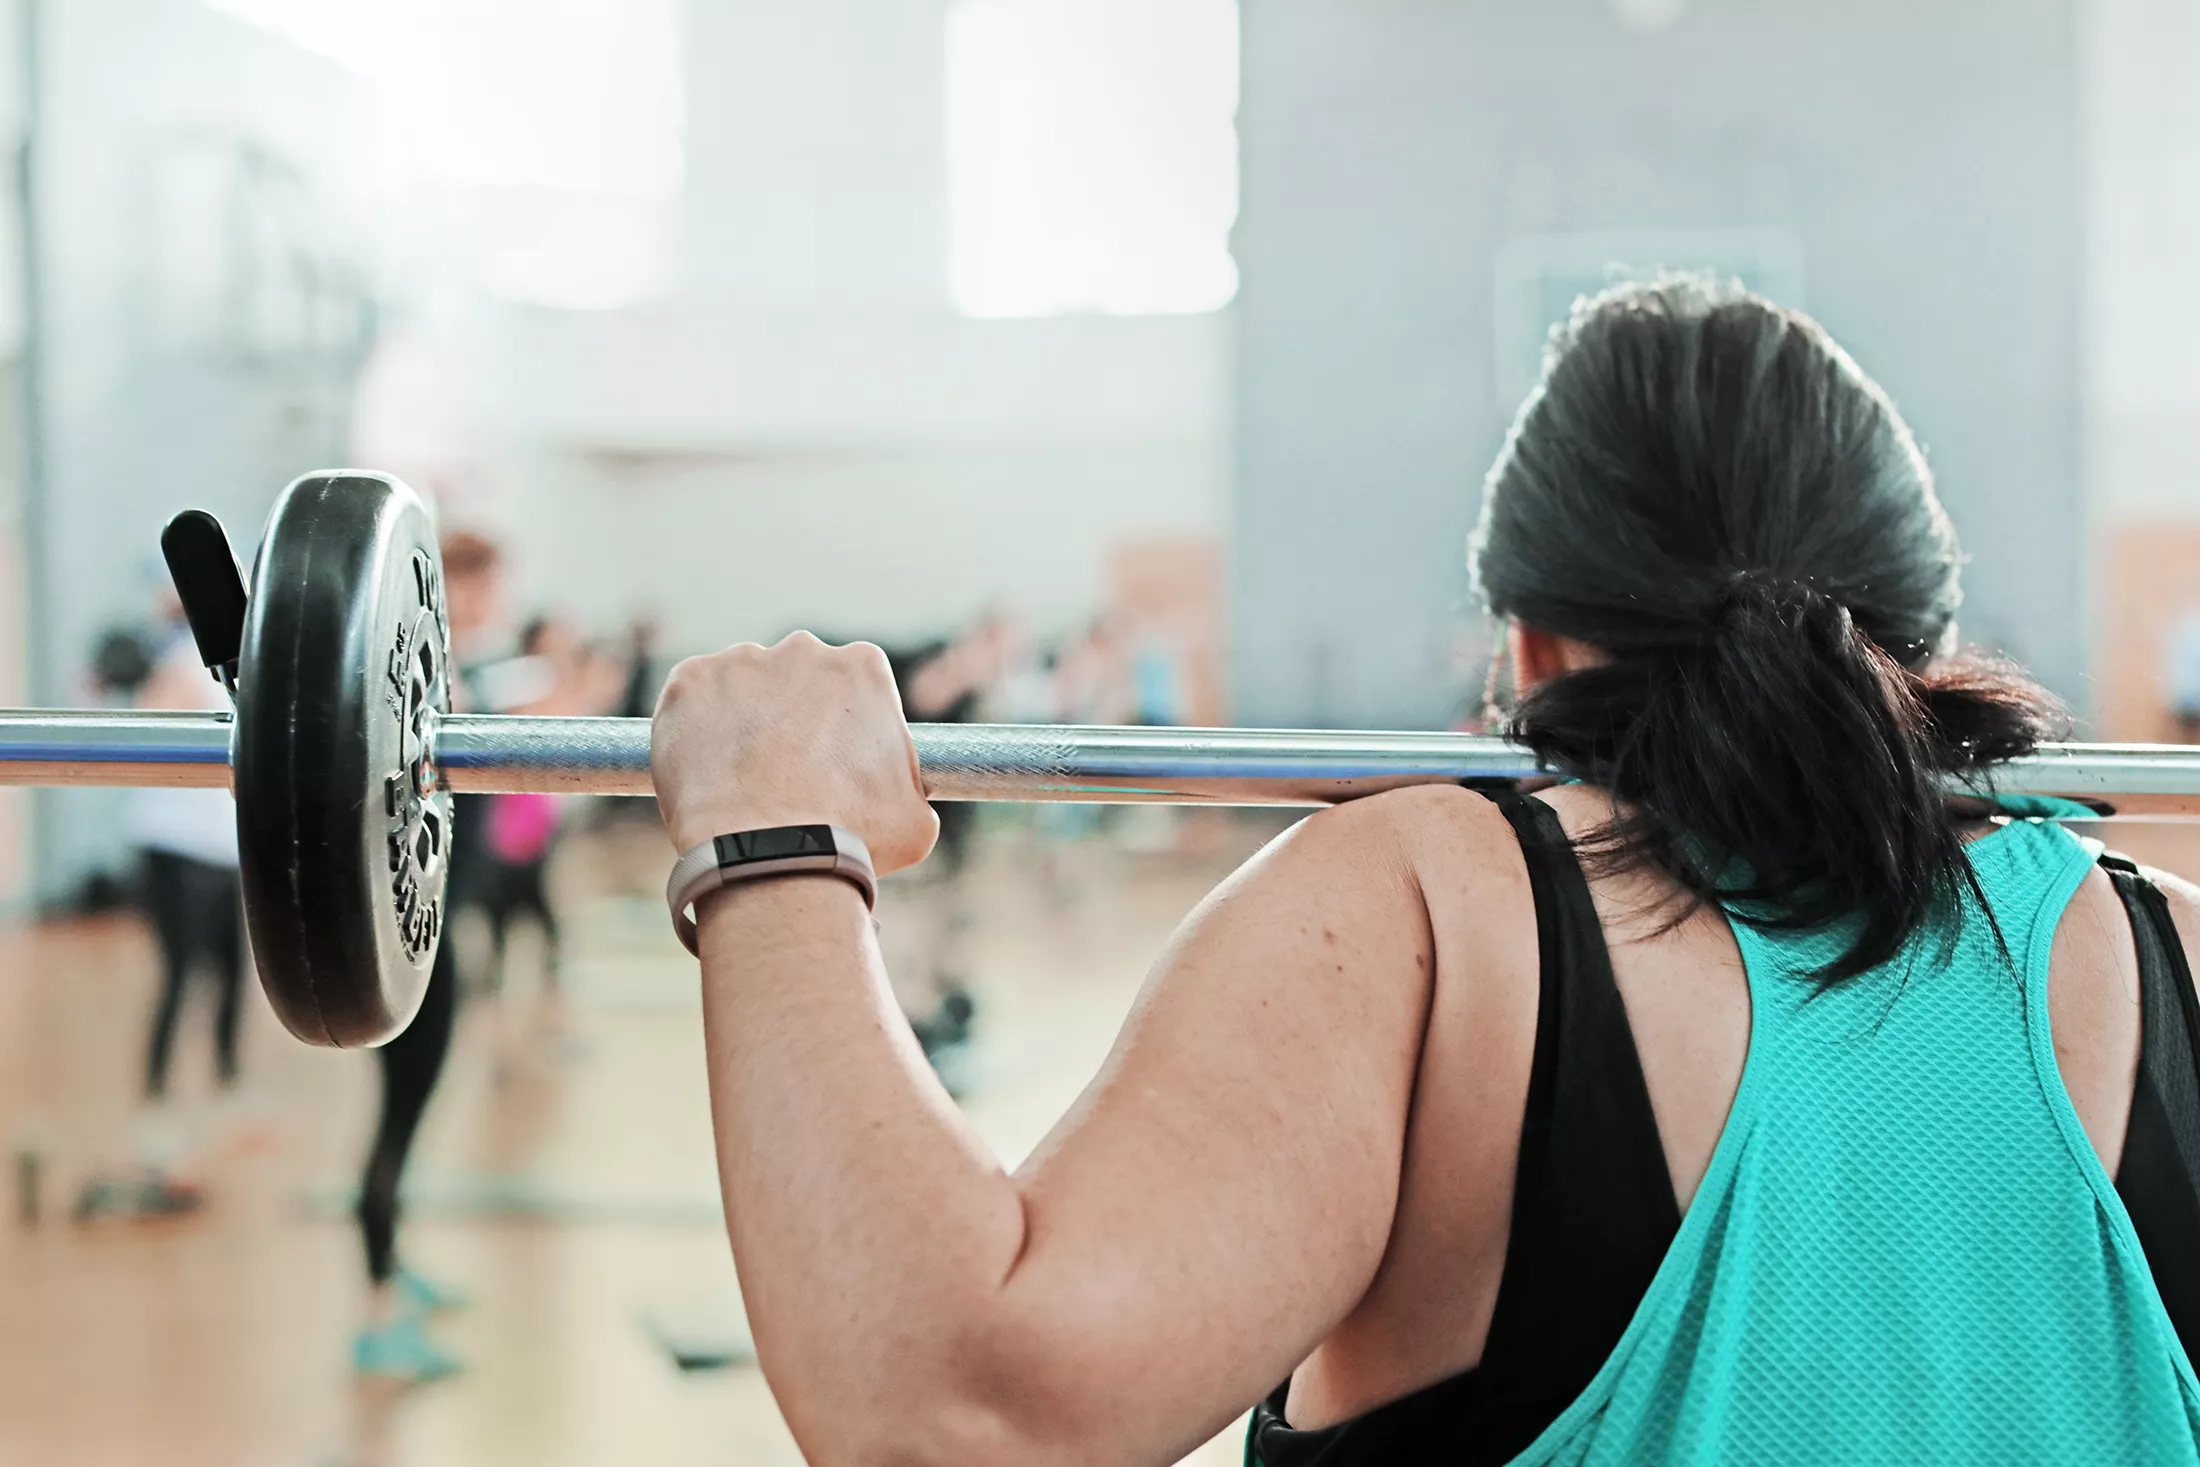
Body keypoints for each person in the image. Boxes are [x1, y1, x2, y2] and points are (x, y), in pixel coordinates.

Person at [649, 276, 2200, 1466]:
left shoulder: (1433, 920)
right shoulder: (2176, 959)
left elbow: (960, 1412)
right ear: (1921, 637)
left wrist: (774, 841)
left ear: (1526, 641)